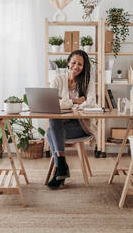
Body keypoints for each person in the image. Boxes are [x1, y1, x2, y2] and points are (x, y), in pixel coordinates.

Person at [47, 49, 98, 189]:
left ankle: (61, 169)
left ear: (84, 67)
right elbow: (52, 103)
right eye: (74, 62)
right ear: (68, 63)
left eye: (80, 64)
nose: (76, 66)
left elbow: (91, 102)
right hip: (62, 124)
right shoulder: (58, 79)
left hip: (81, 126)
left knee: (50, 131)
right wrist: (76, 101)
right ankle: (62, 166)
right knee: (54, 121)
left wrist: (64, 102)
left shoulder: (87, 81)